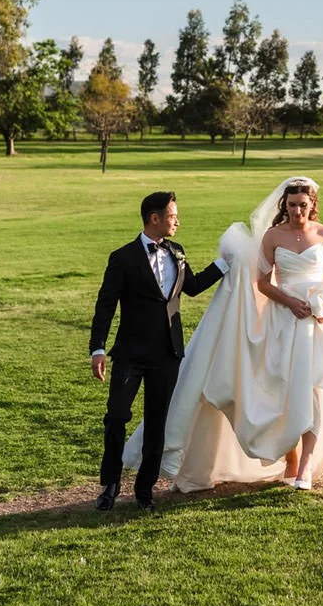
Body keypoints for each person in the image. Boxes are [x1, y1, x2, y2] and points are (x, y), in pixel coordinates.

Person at [123, 175, 323, 492]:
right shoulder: (273, 236)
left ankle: (305, 468)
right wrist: (289, 303)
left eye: (303, 205)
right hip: (284, 319)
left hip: (317, 322)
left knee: (312, 388)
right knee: (284, 392)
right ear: (284, 205)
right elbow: (263, 283)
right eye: (291, 205)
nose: (297, 211)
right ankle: (291, 458)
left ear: (312, 204)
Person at [89, 190, 227, 512]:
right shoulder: (122, 258)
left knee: (156, 423)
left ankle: (144, 492)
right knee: (117, 418)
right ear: (155, 218)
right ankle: (109, 485)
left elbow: (191, 287)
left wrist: (226, 263)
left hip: (167, 355)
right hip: (130, 355)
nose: (177, 220)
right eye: (172, 215)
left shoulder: (177, 252)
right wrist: (97, 348)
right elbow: (105, 306)